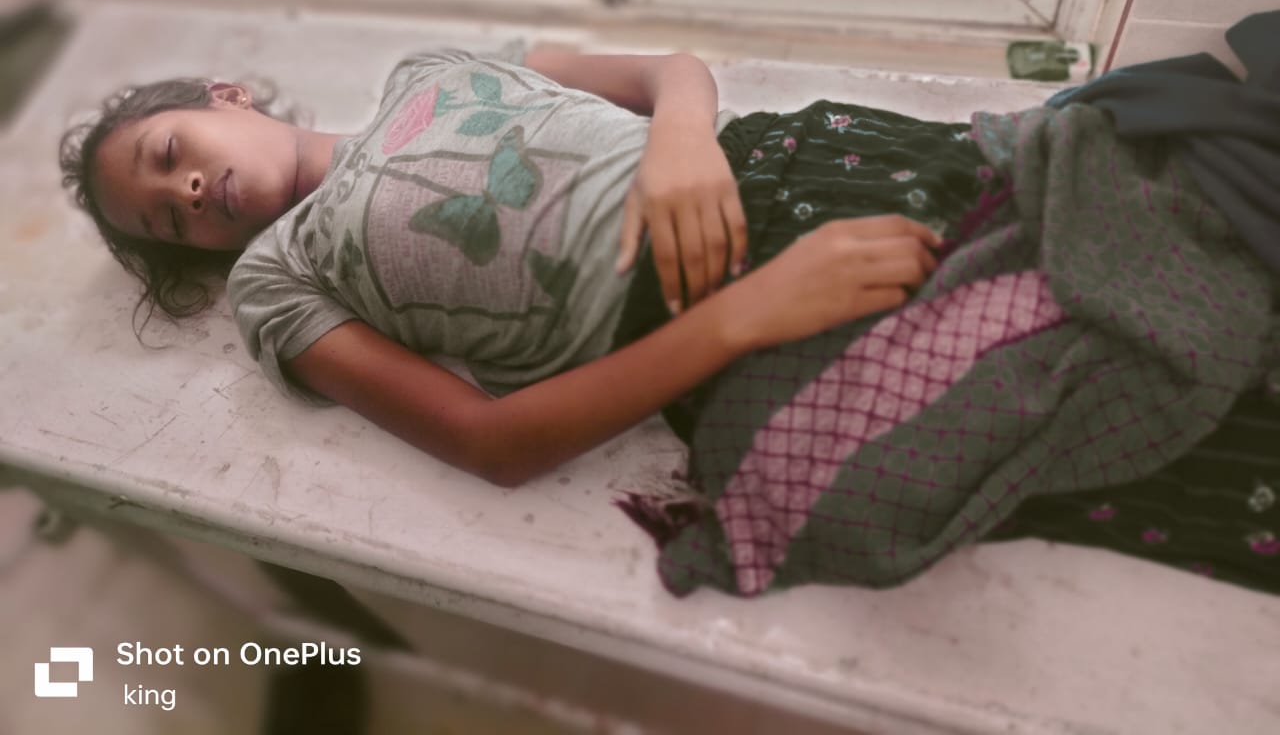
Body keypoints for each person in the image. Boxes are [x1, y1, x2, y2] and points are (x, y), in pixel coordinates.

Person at [59, 43, 949, 488]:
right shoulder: (276, 282)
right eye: (167, 222)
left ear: (226, 95)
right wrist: (741, 316)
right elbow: (489, 443)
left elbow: (670, 70)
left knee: (1019, 175)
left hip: (776, 155)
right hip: (702, 315)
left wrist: (681, 138)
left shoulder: (431, 69)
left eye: (169, 152)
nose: (187, 190)